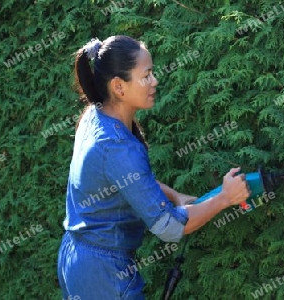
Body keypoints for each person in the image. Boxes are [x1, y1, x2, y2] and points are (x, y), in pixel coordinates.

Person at [57, 35, 251, 300]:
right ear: (119, 86)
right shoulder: (118, 146)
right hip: (104, 275)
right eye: (146, 75)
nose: (154, 81)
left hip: (75, 258)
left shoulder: (94, 115)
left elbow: (122, 180)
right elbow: (169, 227)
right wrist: (225, 198)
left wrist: (174, 195)